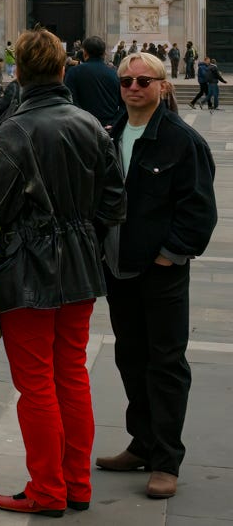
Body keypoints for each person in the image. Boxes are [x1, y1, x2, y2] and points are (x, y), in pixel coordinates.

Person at [0, 29, 126, 517]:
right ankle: (76, 486)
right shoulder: (92, 126)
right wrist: (80, 234)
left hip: (26, 271)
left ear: (18, 73)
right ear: (63, 70)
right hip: (79, 269)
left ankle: (46, 490)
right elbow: (115, 204)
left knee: (36, 384)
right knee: (72, 376)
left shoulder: (14, 131)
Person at [98, 51, 218, 501]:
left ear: (162, 86)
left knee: (166, 363)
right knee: (130, 357)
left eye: (143, 81)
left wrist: (171, 254)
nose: (133, 87)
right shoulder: (110, 133)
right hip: (119, 266)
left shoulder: (181, 140)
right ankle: (141, 442)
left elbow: (199, 209)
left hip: (161, 272)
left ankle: (166, 460)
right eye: (127, 80)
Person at [64, 35, 122, 128]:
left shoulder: (74, 72)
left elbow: (69, 101)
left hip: (82, 126)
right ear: (104, 54)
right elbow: (123, 105)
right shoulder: (115, 74)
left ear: (85, 53)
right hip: (108, 127)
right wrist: (114, 123)